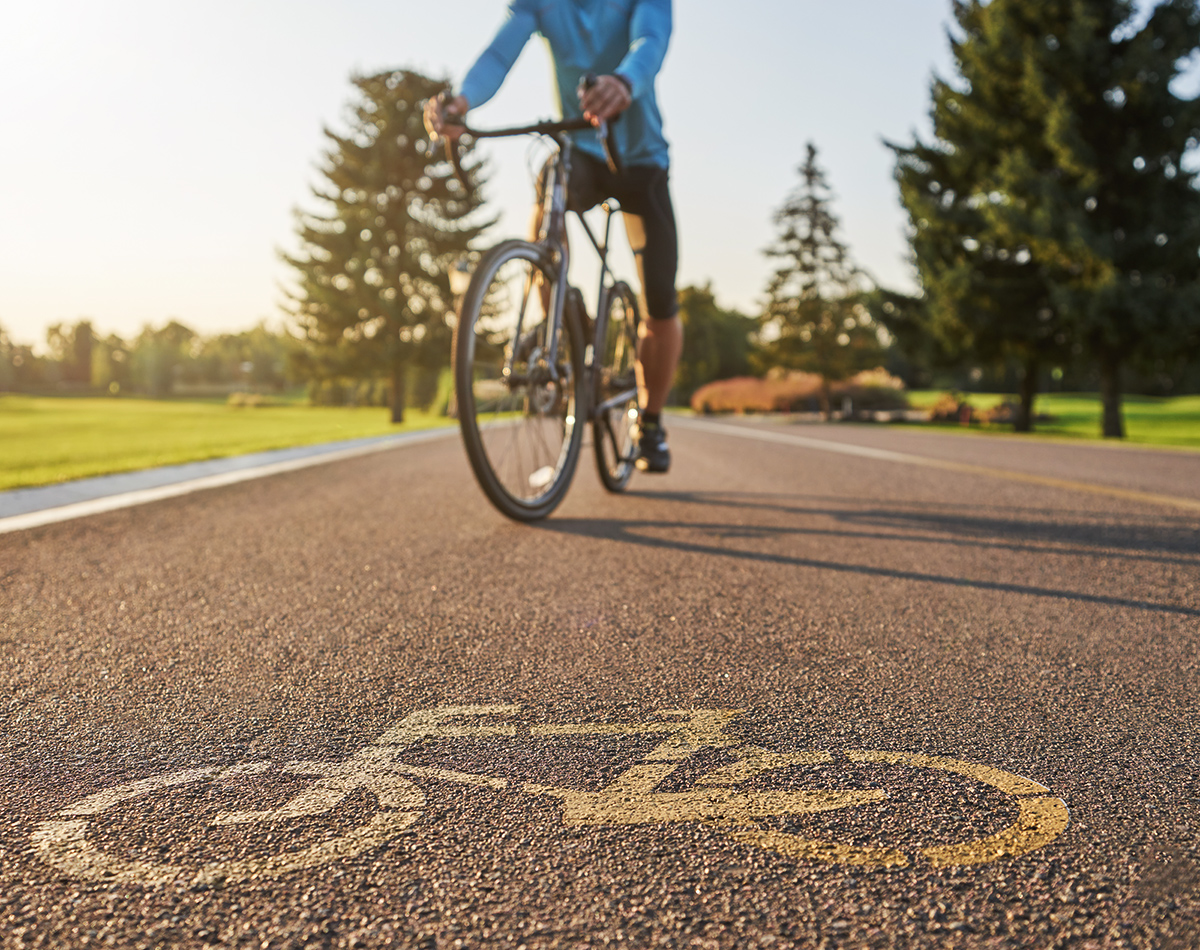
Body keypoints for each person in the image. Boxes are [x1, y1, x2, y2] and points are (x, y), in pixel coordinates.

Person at [425, 0, 679, 473]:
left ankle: (652, 420)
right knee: (547, 205)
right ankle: (565, 321)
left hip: (641, 159)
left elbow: (651, 41)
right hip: (579, 147)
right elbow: (499, 55)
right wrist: (462, 102)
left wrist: (623, 81)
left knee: (660, 303)